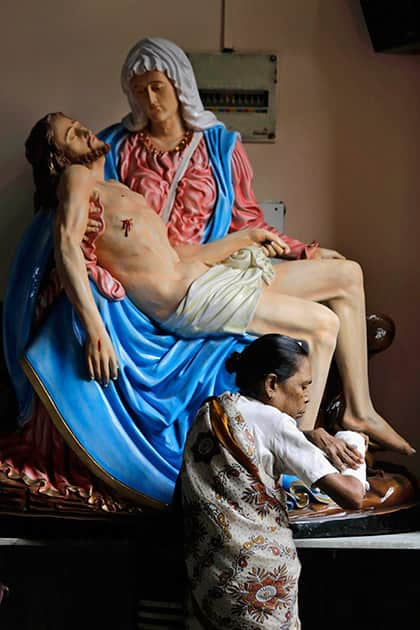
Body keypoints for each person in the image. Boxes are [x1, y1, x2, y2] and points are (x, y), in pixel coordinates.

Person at [178, 334, 368, 629]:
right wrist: (355, 446)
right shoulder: (277, 423)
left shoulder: (212, 411)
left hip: (210, 575)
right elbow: (351, 496)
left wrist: (308, 435)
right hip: (262, 578)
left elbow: (260, 445)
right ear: (271, 385)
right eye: (303, 385)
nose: (306, 395)